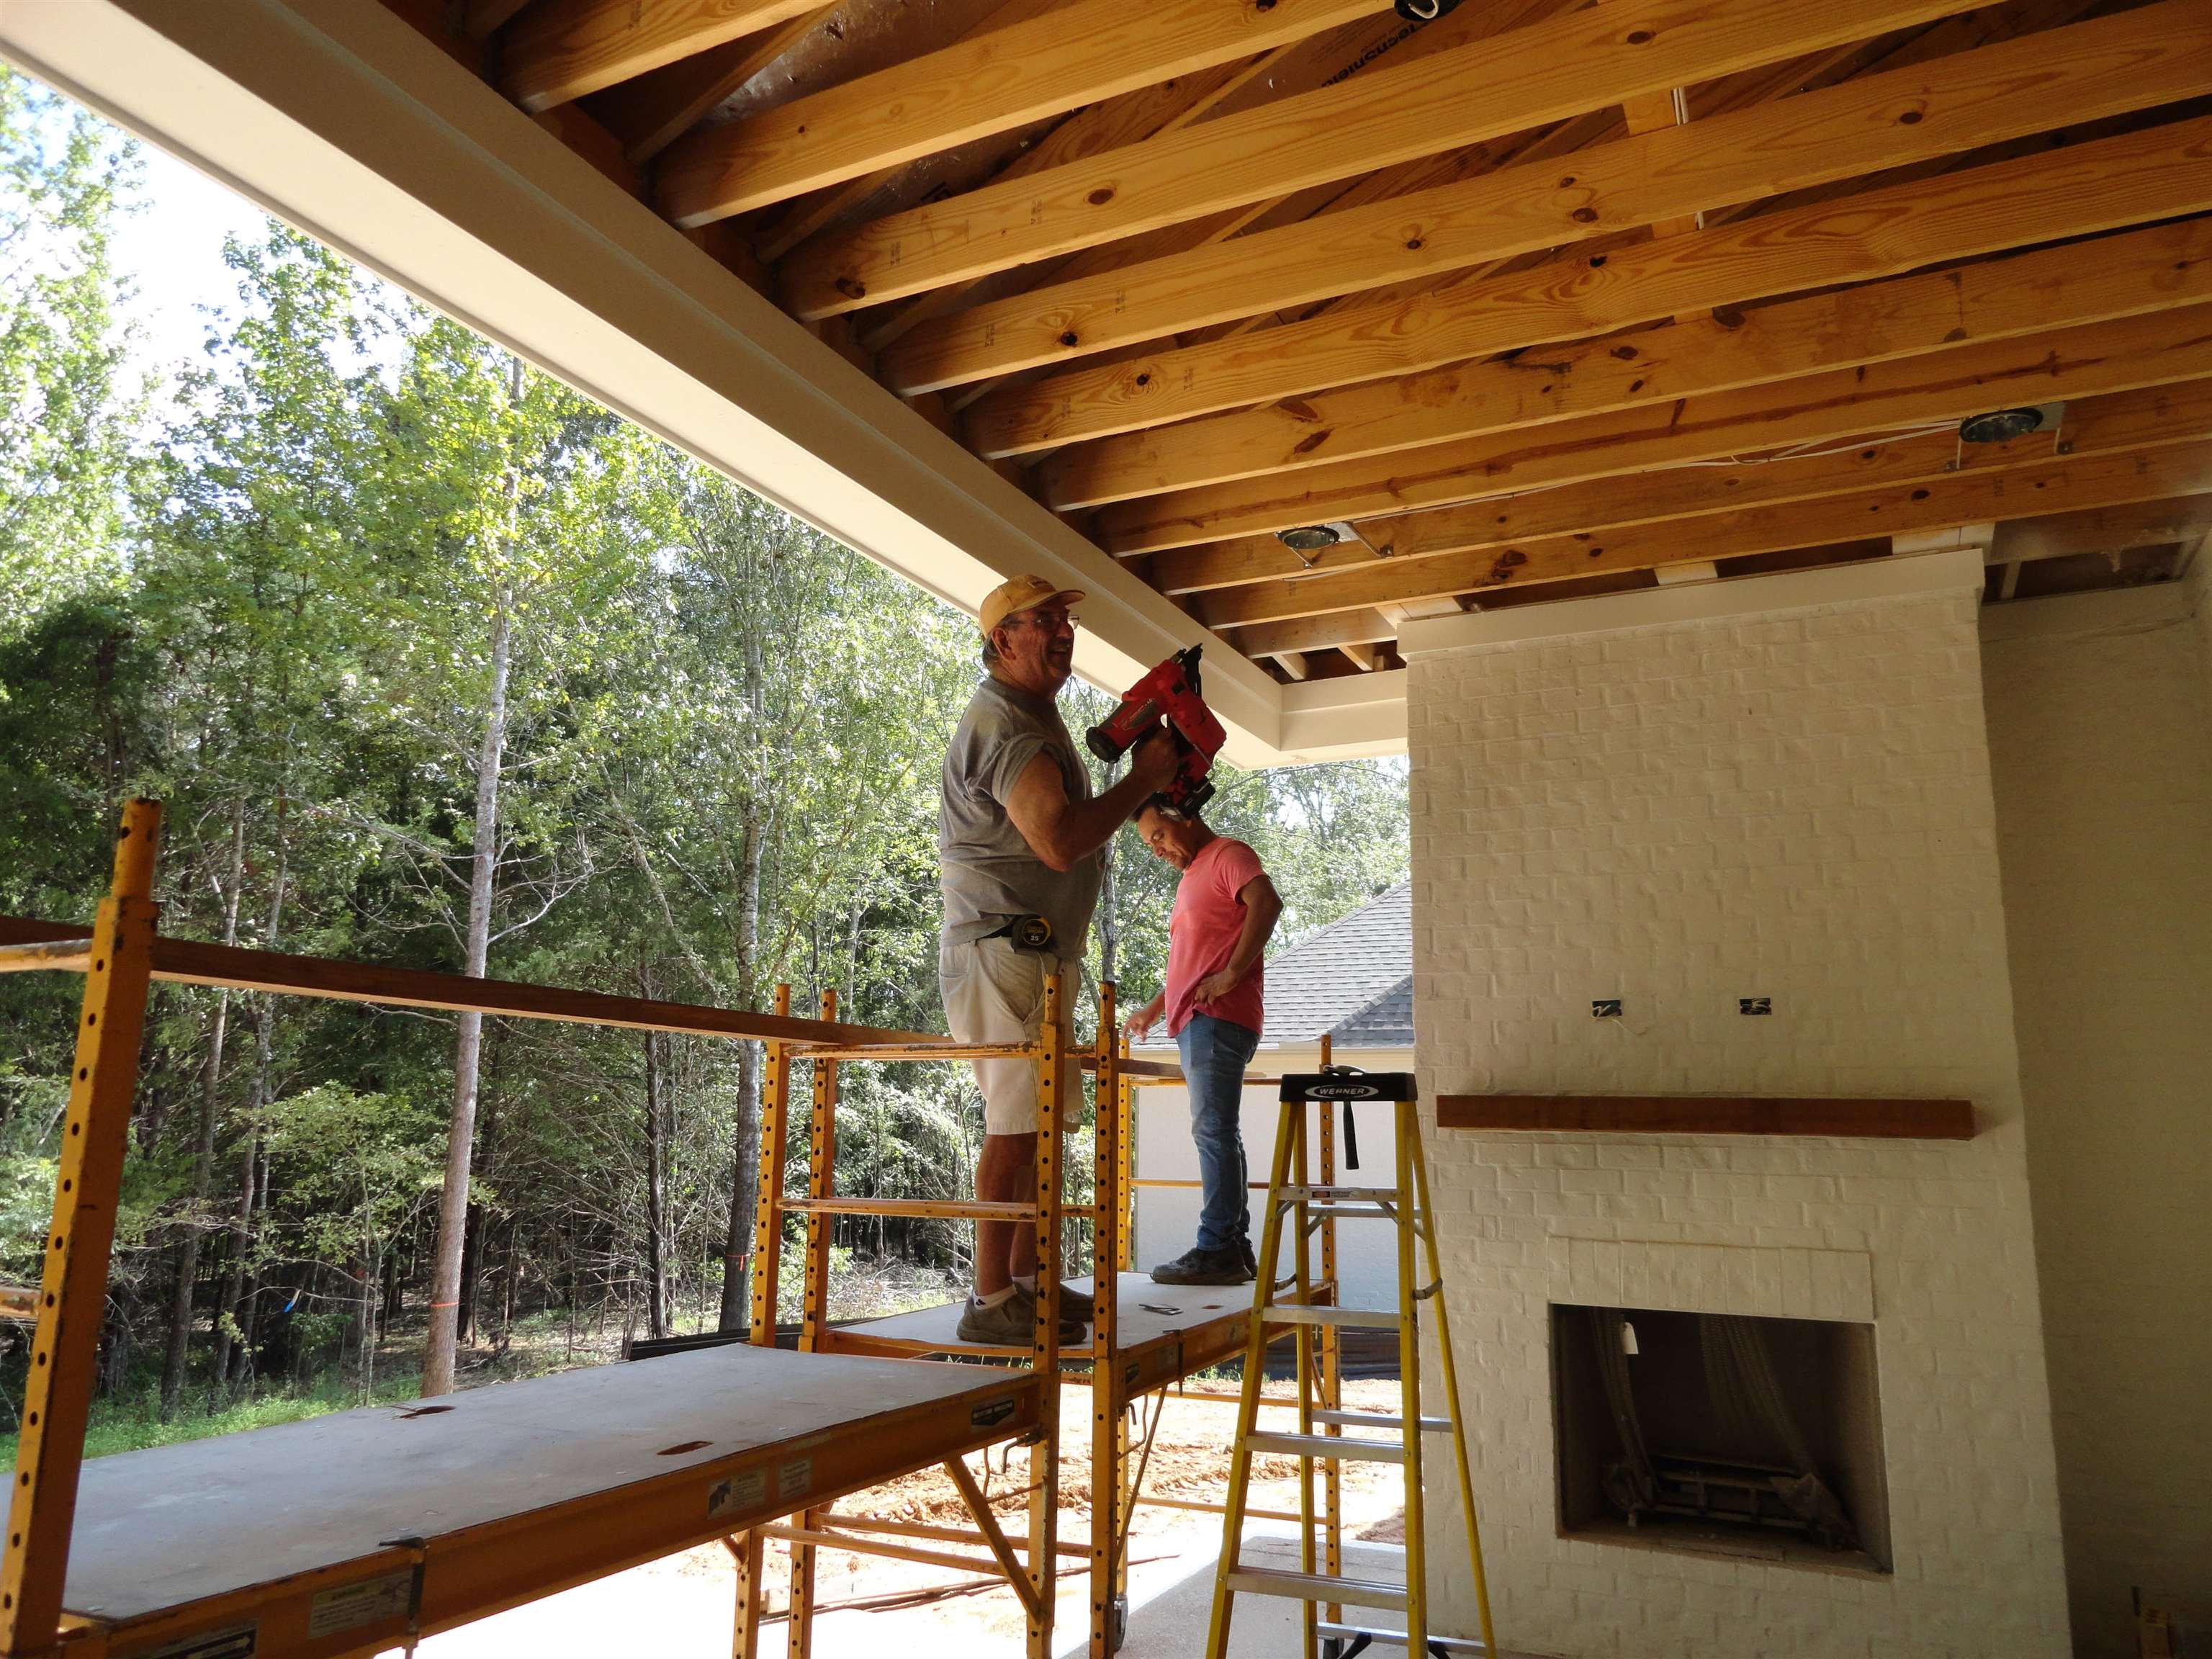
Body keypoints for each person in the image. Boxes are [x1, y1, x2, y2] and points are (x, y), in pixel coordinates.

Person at [941, 574, 1177, 1346]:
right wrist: (1142, 779)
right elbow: (1058, 839)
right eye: (1042, 621)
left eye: (1065, 621)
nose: (1062, 632)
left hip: (1030, 954)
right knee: (1014, 1126)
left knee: (1039, 1128)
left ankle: (1031, 1284)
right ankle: (988, 1301)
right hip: (1003, 951)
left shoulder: (1031, 714)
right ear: (1002, 640)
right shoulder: (1007, 723)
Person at [1126, 801, 1282, 1285]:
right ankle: (1234, 1247)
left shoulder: (1227, 854)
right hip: (1199, 1019)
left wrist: (1233, 974)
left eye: (1158, 836)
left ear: (1183, 815)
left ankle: (1216, 1247)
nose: (1157, 851)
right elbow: (1193, 959)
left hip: (1217, 1017)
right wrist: (1156, 1007)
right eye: (1150, 844)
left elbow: (1269, 902)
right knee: (1219, 1133)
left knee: (1213, 1132)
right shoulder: (1195, 875)